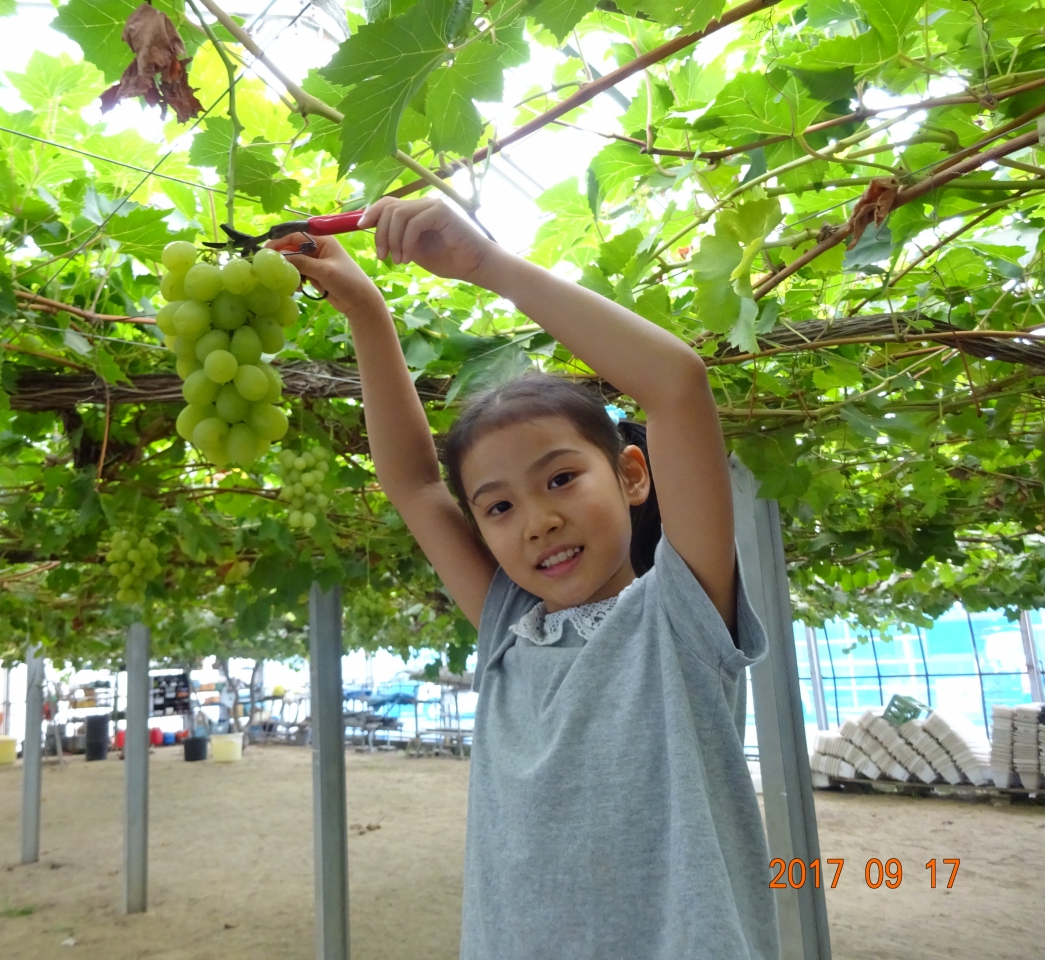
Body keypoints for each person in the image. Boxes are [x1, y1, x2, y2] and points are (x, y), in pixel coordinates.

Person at [269, 198, 778, 960]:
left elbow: (675, 383)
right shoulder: (510, 629)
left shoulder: (679, 616)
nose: (535, 520)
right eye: (499, 506)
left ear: (633, 474)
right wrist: (367, 314)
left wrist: (487, 266)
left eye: (562, 478)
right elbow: (414, 484)